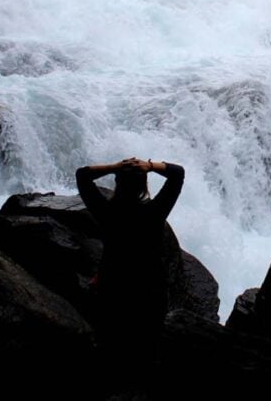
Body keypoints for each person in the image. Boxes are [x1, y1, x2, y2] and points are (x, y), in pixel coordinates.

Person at [76, 157, 185, 390]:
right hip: (150, 289)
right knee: (148, 349)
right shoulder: (155, 212)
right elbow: (178, 173)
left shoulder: (106, 212)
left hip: (113, 288)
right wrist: (150, 166)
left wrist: (115, 166)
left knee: (112, 348)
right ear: (144, 185)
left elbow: (82, 175)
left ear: (117, 182)